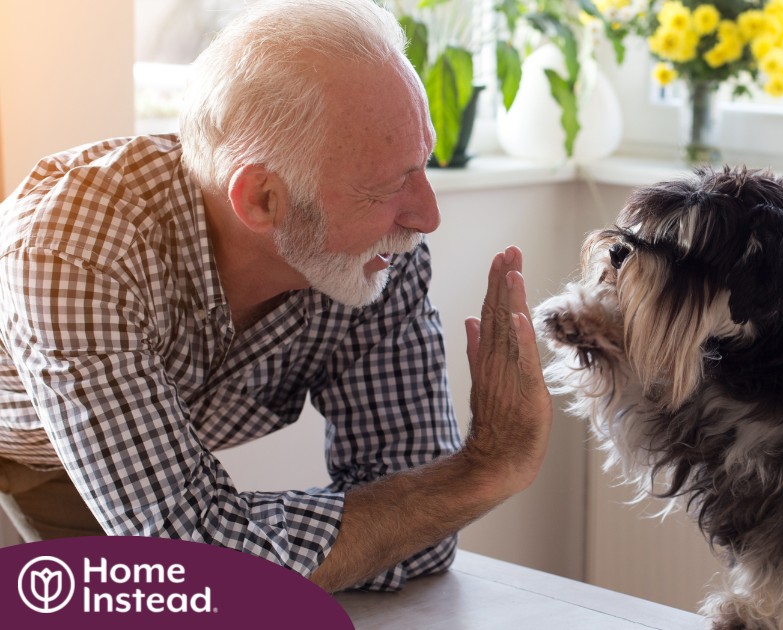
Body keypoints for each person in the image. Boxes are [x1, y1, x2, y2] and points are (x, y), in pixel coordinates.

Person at [0, 0, 553, 593]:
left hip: (121, 456)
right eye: (390, 184)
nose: (427, 217)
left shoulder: (376, 257)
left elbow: (423, 531)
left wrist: (242, 535)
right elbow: (198, 565)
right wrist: (487, 467)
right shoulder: (76, 251)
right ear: (262, 200)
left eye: (421, 166)